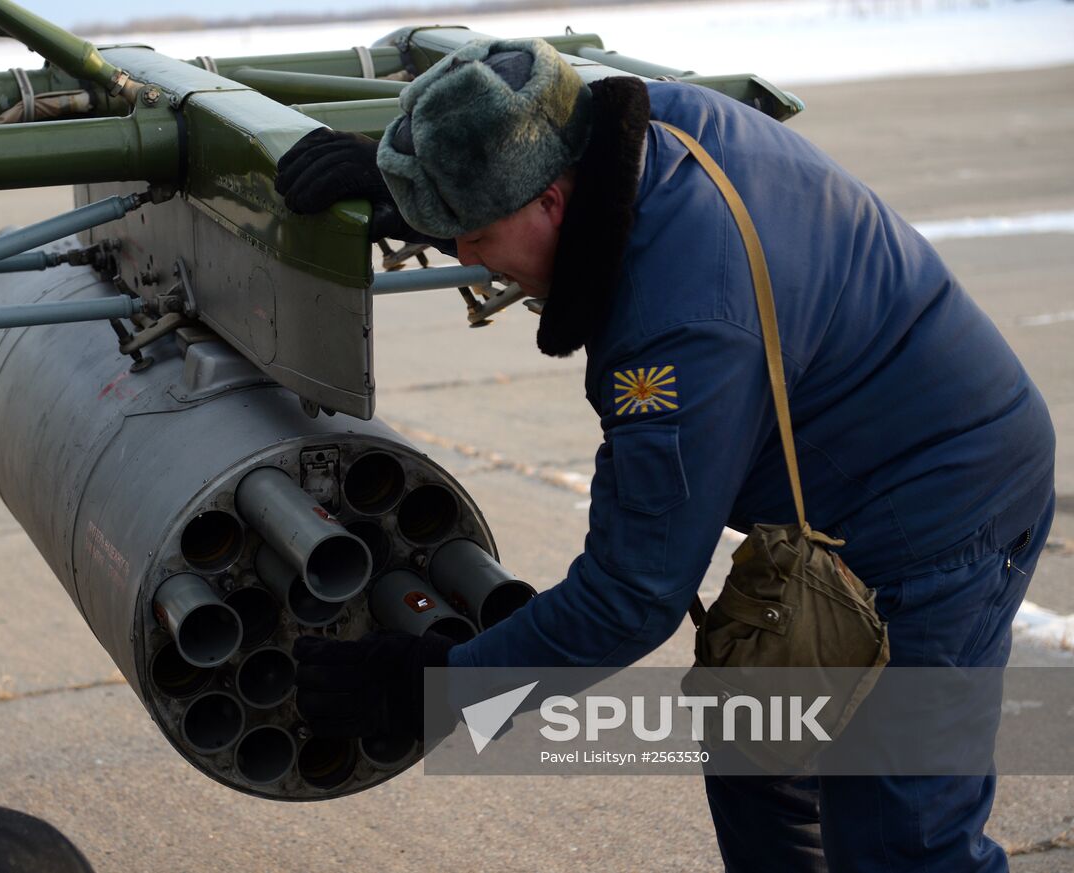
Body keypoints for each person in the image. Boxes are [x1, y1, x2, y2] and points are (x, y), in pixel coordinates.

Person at [276, 37, 1056, 872]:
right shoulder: (632, 126)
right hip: (877, 471)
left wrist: (435, 690)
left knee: (900, 841)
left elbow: (633, 595)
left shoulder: (678, 332)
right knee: (762, 760)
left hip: (942, 519)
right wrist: (420, 194)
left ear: (548, 202)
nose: (464, 257)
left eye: (471, 232)